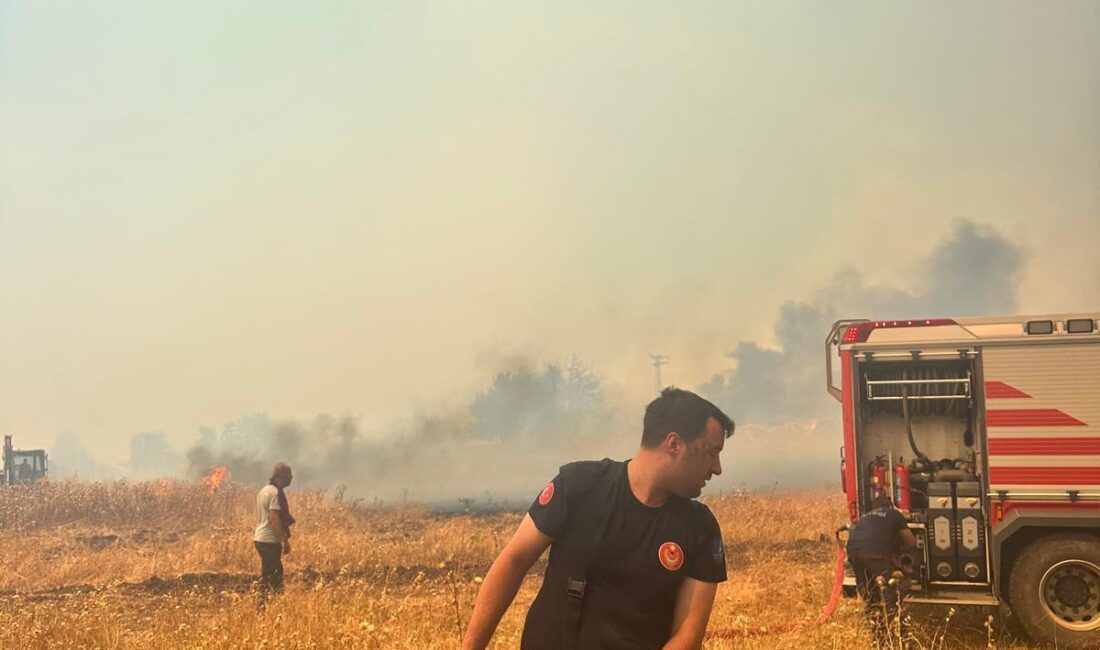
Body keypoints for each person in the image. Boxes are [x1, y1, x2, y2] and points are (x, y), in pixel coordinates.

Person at [462, 388, 734, 650]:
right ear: (674, 444)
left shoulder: (700, 528)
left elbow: (688, 635)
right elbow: (513, 561)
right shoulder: (579, 486)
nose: (717, 468)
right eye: (712, 452)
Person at [846, 496, 919, 648]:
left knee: (869, 592)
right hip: (877, 554)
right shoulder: (894, 514)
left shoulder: (865, 517)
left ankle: (877, 635)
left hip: (853, 553)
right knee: (889, 595)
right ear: (891, 506)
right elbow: (911, 541)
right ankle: (898, 638)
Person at [253, 462, 295, 599]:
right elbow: (274, 517)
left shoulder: (264, 490)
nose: (290, 479)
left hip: (260, 538)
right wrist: (284, 540)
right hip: (269, 540)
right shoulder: (275, 493)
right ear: (281, 477)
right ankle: (262, 608)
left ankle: (276, 605)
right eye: (288, 476)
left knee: (275, 573)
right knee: (271, 576)